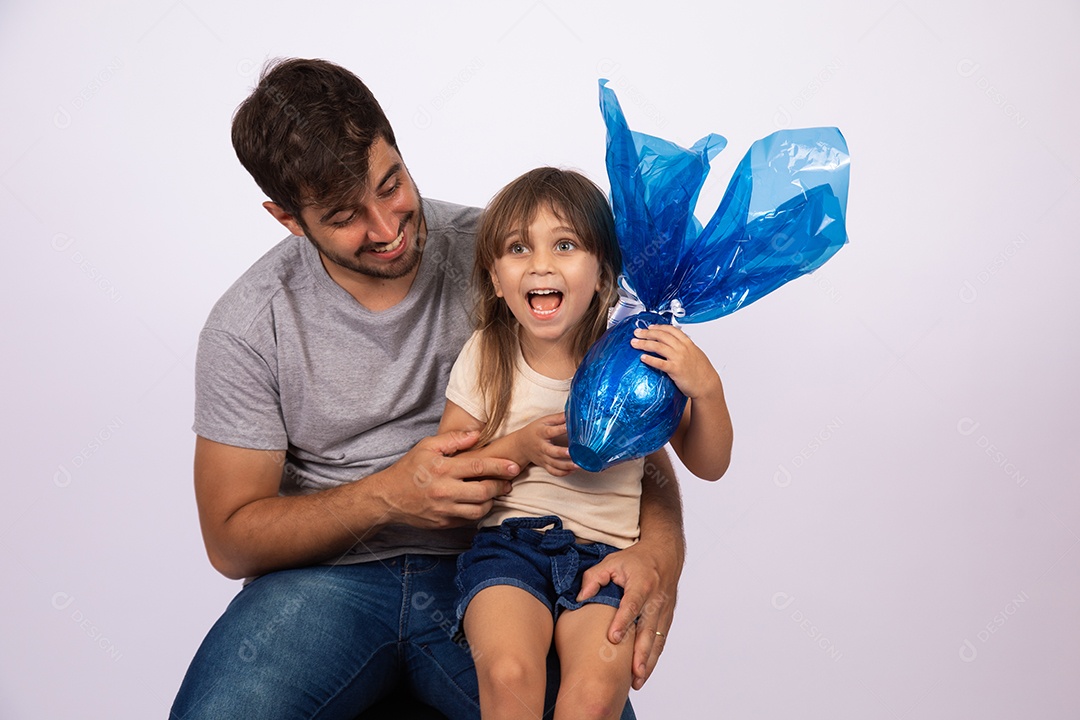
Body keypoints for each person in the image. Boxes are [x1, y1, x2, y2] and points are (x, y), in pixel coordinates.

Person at [169, 58, 685, 720]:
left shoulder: (510, 259)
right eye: (345, 215)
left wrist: (659, 553)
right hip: (325, 582)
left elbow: (624, 429)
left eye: (390, 185)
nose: (386, 228)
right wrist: (388, 495)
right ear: (288, 219)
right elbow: (231, 538)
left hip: (503, 563)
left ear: (399, 149)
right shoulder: (248, 323)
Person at [439, 168, 733, 720]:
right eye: (518, 248)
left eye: (566, 244)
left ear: (604, 274)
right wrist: (520, 447)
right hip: (508, 547)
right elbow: (448, 471)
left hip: (607, 560)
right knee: (509, 674)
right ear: (496, 280)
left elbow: (710, 464)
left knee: (595, 695)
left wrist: (706, 387)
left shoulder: (635, 356)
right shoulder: (487, 354)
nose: (541, 264)